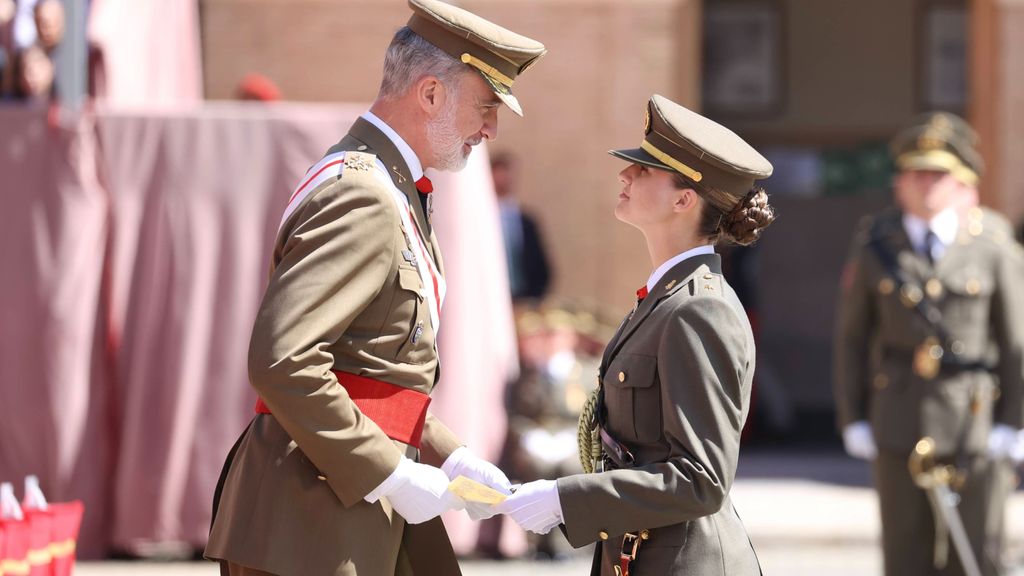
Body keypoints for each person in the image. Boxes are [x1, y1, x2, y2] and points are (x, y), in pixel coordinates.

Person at [204, 1, 546, 575]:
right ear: (431, 94)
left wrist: (447, 453)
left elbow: (370, 373)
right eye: (486, 107)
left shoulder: (391, 186)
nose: (491, 129)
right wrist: (386, 471)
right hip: (309, 525)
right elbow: (283, 361)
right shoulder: (363, 194)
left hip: (338, 517)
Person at [494, 94, 775, 575]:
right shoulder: (666, 297)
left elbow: (701, 479)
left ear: (684, 200)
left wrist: (565, 498)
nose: (625, 175)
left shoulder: (699, 309)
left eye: (644, 171)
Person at [834, 112, 1024, 576]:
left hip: (975, 424)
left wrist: (1015, 424)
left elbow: (1016, 340)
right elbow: (852, 337)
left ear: (963, 183)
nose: (927, 185)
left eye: (939, 174)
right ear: (900, 183)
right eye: (917, 173)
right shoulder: (876, 243)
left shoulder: (993, 243)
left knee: (976, 554)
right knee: (905, 555)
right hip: (899, 418)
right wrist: (853, 417)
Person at [492, 152, 552, 302]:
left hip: (522, 299)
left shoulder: (527, 221)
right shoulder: (478, 218)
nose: (503, 179)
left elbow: (540, 265)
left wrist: (533, 298)